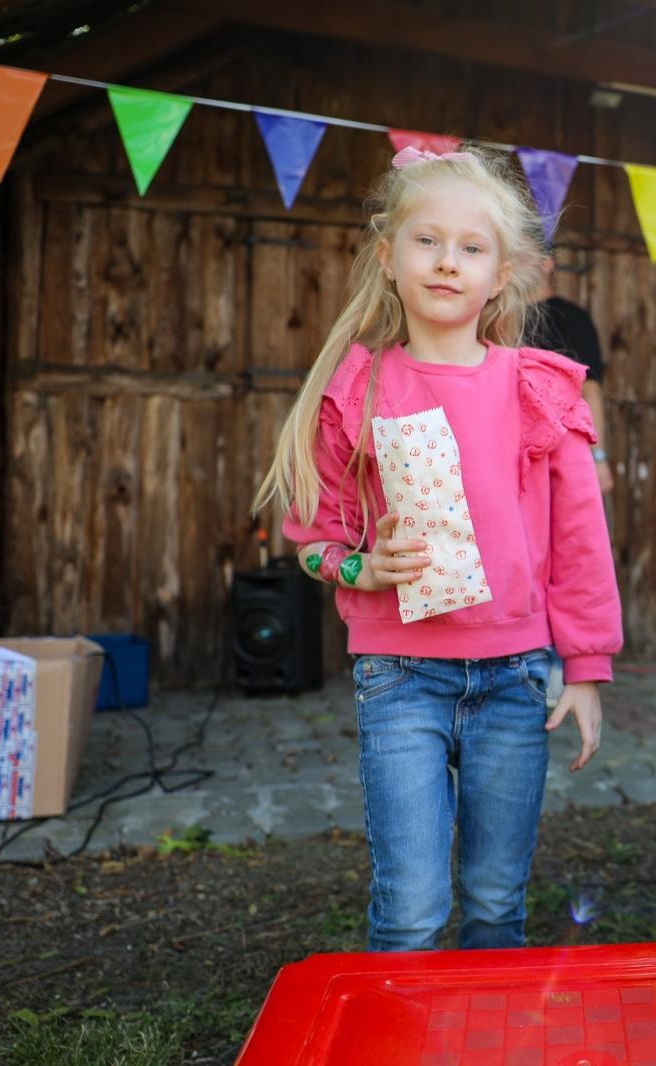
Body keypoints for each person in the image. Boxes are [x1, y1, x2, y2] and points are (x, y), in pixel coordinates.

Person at [252, 145, 622, 952]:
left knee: (495, 901)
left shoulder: (537, 388)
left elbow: (580, 541)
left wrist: (587, 666)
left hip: (515, 677)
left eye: (471, 247)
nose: (448, 262)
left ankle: (491, 1021)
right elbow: (313, 542)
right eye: (428, 241)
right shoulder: (358, 390)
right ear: (389, 257)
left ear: (502, 274)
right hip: (399, 679)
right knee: (412, 910)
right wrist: (361, 567)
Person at [528, 259, 615, 499]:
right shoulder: (500, 317)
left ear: (546, 264)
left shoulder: (572, 319)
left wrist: (598, 457)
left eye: (525, 256)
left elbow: (590, 390)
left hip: (563, 451)